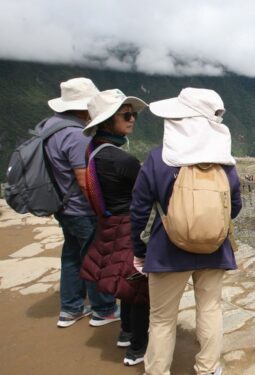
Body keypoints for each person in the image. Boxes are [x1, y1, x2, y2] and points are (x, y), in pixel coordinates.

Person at [130, 88, 242, 375]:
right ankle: (207, 368)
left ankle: (157, 371)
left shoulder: (158, 159)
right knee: (210, 310)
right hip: (214, 250)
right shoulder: (224, 163)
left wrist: (139, 250)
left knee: (162, 319)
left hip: (167, 251)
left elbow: (140, 210)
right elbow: (234, 207)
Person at [79, 89, 150, 366]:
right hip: (128, 228)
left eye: (132, 114)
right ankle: (137, 348)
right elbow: (146, 193)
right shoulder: (123, 161)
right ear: (108, 121)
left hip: (109, 225)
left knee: (126, 281)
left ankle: (126, 331)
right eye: (126, 115)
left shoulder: (94, 151)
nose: (132, 119)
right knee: (140, 287)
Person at [44, 78, 119, 328]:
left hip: (62, 205)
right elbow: (84, 180)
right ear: (84, 107)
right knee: (95, 257)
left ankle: (70, 308)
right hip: (81, 208)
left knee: (72, 255)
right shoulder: (76, 135)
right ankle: (104, 309)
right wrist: (102, 211)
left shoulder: (50, 126)